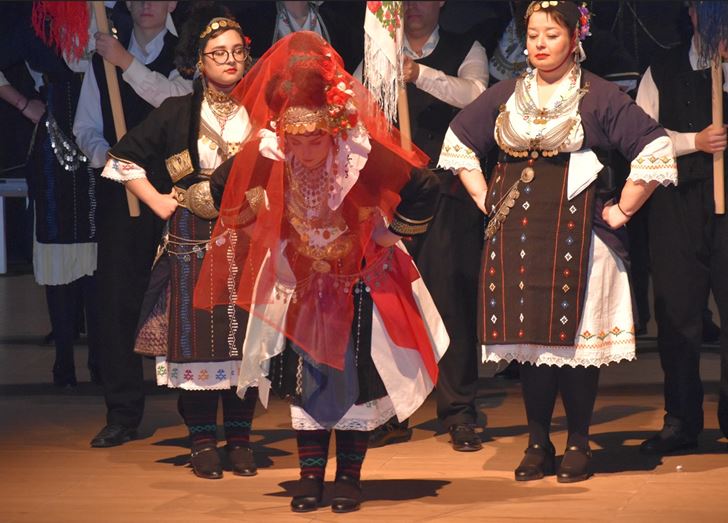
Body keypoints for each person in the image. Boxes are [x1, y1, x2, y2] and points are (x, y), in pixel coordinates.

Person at [196, 31, 447, 512]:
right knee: (304, 380)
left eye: (316, 139)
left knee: (357, 383)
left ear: (333, 128)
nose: (307, 149)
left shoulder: (360, 154)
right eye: (297, 139)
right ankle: (309, 476)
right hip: (298, 285)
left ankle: (349, 477)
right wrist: (259, 221)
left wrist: (388, 235)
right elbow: (224, 188)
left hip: (357, 282)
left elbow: (424, 186)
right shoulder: (269, 153)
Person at [438, 1, 677, 482]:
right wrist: (485, 197)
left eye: (551, 35)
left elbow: (654, 145)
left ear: (574, 39)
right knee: (531, 343)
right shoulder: (507, 94)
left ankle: (579, 442)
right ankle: (537, 441)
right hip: (518, 239)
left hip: (579, 238)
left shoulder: (597, 95)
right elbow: (458, 140)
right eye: (533, 36)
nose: (540, 44)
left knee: (573, 347)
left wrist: (624, 208)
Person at [100, 9, 258, 479]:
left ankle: (241, 441)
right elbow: (120, 159)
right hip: (192, 243)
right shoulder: (177, 111)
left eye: (237, 51)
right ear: (197, 62)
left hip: (249, 240)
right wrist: (157, 201)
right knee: (197, 342)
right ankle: (203, 442)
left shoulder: (262, 112)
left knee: (246, 340)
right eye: (218, 53)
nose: (229, 60)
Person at [358, 0, 489, 451]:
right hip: (393, 198)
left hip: (448, 195)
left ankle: (459, 410)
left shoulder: (465, 47)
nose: (413, 6)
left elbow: (477, 96)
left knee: (451, 299)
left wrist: (418, 74)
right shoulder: (377, 52)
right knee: (390, 302)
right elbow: (350, 108)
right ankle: (393, 410)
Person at [73, 0, 191, 448]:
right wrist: (111, 160)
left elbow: (176, 102)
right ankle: (122, 413)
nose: (146, 5)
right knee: (117, 302)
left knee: (183, 301)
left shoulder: (185, 53)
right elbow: (86, 128)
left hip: (177, 194)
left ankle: (195, 411)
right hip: (120, 192)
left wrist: (125, 63)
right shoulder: (101, 58)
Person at [635, 2, 728, 454]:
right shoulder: (660, 69)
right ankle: (681, 420)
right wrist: (696, 142)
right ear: (692, 14)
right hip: (676, 206)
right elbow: (641, 139)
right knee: (677, 317)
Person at [0, 3, 101, 388]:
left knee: (99, 249)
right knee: (57, 248)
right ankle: (63, 361)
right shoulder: (35, 22)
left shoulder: (112, 18)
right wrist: (24, 104)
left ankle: (99, 359)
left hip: (102, 145)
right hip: (54, 148)